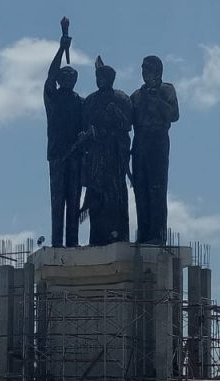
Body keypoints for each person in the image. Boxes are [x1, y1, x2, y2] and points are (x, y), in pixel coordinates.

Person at [80, 57, 132, 246]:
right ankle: (97, 236)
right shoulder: (90, 101)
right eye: (98, 77)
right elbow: (83, 125)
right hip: (95, 155)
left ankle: (117, 235)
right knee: (96, 195)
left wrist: (115, 114)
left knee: (115, 195)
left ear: (111, 79)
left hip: (114, 154)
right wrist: (88, 135)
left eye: (104, 77)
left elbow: (127, 125)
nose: (100, 80)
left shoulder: (121, 98)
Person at [130, 55, 179, 245]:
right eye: (142, 69)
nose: (144, 72)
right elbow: (128, 119)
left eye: (147, 69)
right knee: (140, 189)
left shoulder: (166, 89)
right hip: (139, 142)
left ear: (157, 71)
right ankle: (143, 233)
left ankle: (157, 234)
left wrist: (156, 99)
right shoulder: (137, 95)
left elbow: (174, 115)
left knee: (156, 188)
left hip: (157, 140)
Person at [44, 34, 84, 248]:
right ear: (60, 80)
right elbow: (50, 75)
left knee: (74, 201)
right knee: (57, 201)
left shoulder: (81, 102)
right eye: (65, 76)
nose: (69, 79)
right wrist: (61, 49)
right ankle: (57, 242)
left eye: (72, 77)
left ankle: (72, 242)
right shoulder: (52, 97)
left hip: (75, 157)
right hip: (58, 155)